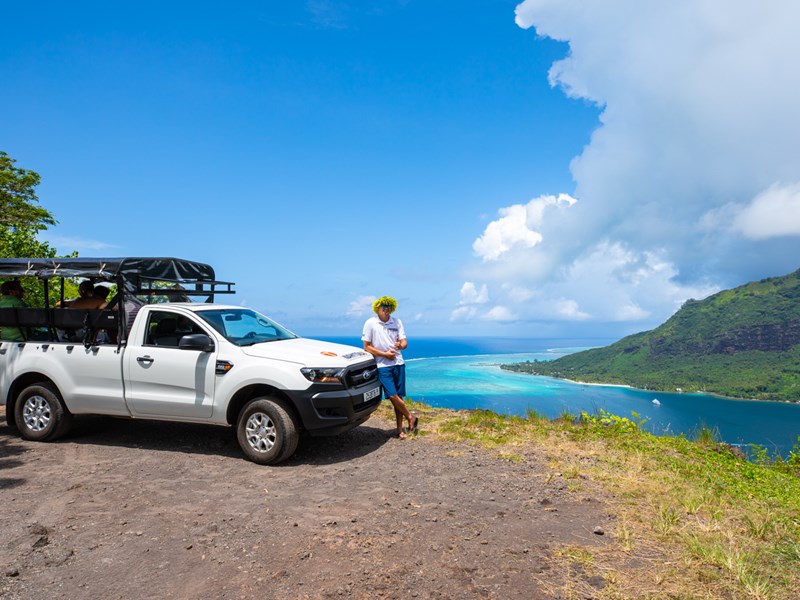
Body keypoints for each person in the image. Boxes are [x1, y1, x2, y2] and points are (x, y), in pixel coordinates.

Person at [362, 295, 419, 438]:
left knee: (398, 396)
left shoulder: (397, 322)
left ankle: (399, 430)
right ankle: (410, 416)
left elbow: (404, 342)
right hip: (382, 365)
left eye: (389, 308)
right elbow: (367, 347)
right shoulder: (371, 323)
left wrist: (401, 345)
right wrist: (384, 354)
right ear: (377, 309)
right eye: (383, 308)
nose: (386, 311)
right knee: (392, 395)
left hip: (398, 363)